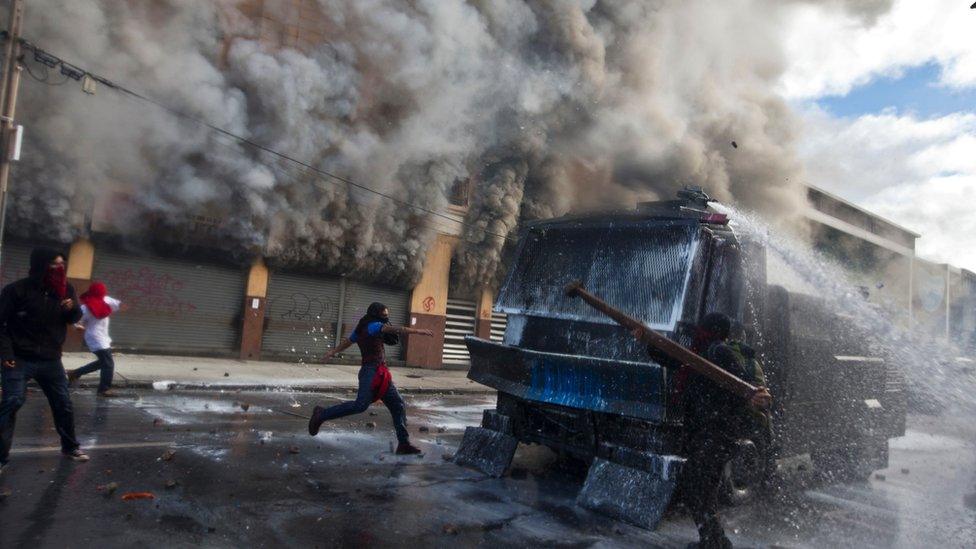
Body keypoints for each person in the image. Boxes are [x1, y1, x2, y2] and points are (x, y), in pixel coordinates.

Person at [634, 312, 771, 549]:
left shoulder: (719, 352)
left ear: (710, 330)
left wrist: (754, 395)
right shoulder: (700, 353)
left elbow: (742, 384)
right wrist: (648, 341)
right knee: (700, 487)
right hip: (705, 432)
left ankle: (715, 541)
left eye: (702, 328)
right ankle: (714, 541)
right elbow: (673, 360)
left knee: (696, 484)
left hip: (718, 433)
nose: (697, 332)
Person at [0, 247, 90, 474]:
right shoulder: (16, 290)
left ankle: (70, 447)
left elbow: (74, 317)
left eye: (62, 265)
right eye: (54, 265)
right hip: (20, 358)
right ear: (41, 266)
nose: (59, 270)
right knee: (12, 400)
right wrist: (7, 355)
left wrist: (72, 309)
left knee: (63, 403)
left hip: (51, 359)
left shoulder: (65, 289)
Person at [308, 302, 433, 455]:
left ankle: (403, 443)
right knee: (360, 405)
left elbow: (349, 341)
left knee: (398, 405)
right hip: (371, 373)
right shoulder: (373, 326)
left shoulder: (363, 326)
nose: (386, 318)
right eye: (384, 315)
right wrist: (418, 331)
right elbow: (395, 329)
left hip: (382, 373)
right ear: (375, 314)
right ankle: (321, 414)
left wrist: (333, 352)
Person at [67, 281, 124, 396]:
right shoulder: (85, 307)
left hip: (103, 337)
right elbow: (76, 320)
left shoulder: (106, 300)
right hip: (95, 338)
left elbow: (118, 304)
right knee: (108, 364)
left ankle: (75, 373)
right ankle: (103, 389)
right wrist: (79, 326)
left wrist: (121, 306)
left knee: (103, 362)